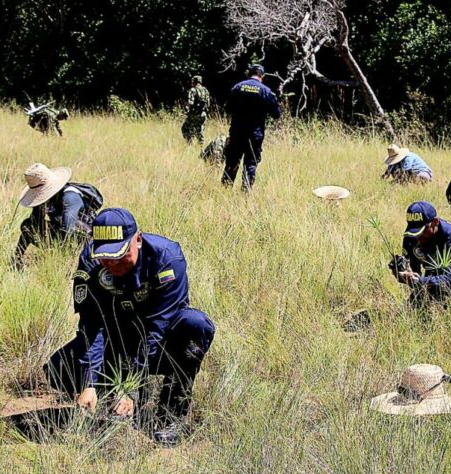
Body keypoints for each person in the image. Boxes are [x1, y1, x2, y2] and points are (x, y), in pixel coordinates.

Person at [44, 208, 216, 447]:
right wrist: (89, 382)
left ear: (138, 239)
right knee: (57, 369)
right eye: (105, 256)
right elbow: (91, 327)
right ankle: (106, 398)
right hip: (115, 343)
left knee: (195, 325)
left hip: (159, 346)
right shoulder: (90, 261)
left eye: (119, 254)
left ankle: (170, 413)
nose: (111, 263)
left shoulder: (167, 259)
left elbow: (156, 329)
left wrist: (130, 386)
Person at [391, 201, 451, 307]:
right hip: (436, 272)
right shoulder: (412, 235)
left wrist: (417, 281)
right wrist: (402, 272)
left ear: (435, 222)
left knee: (446, 302)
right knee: (412, 309)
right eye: (415, 232)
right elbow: (412, 270)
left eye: (422, 231)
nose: (418, 237)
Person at [12, 163, 103, 270]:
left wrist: (57, 260)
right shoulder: (45, 200)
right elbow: (34, 222)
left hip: (85, 239)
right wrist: (17, 256)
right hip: (63, 234)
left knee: (71, 228)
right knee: (27, 225)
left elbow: (68, 229)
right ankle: (16, 260)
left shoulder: (70, 197)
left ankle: (71, 263)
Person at [222, 63, 281, 191]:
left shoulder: (237, 87)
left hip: (237, 132)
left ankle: (225, 190)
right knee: (250, 164)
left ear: (249, 74)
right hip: (255, 135)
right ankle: (245, 192)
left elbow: (227, 108)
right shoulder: (266, 91)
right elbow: (276, 114)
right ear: (262, 76)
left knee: (232, 161)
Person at [181, 75, 211, 145]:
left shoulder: (192, 90)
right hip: (203, 114)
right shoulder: (205, 90)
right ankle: (201, 146)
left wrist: (187, 110)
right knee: (200, 131)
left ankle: (189, 144)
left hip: (194, 114)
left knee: (185, 129)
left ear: (194, 82)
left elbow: (190, 103)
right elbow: (208, 104)